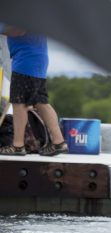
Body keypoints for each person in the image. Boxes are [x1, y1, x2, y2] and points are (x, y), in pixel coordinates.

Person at [0, 25, 68, 156]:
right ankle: (59, 142)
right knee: (40, 101)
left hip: (25, 60)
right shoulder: (31, 9)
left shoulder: (21, 8)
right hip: (36, 59)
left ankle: (18, 146)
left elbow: (18, 30)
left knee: (19, 103)